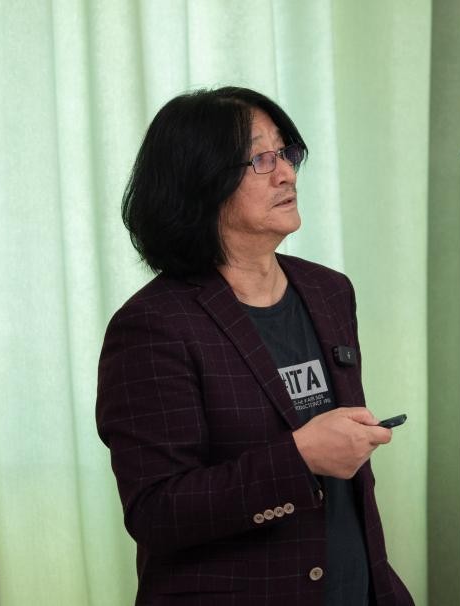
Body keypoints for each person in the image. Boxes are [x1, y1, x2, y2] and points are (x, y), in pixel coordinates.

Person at [96, 86, 414, 606]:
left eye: (286, 152)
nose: (286, 173)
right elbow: (157, 511)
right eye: (260, 159)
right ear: (200, 184)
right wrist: (300, 457)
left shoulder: (329, 292)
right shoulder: (153, 326)